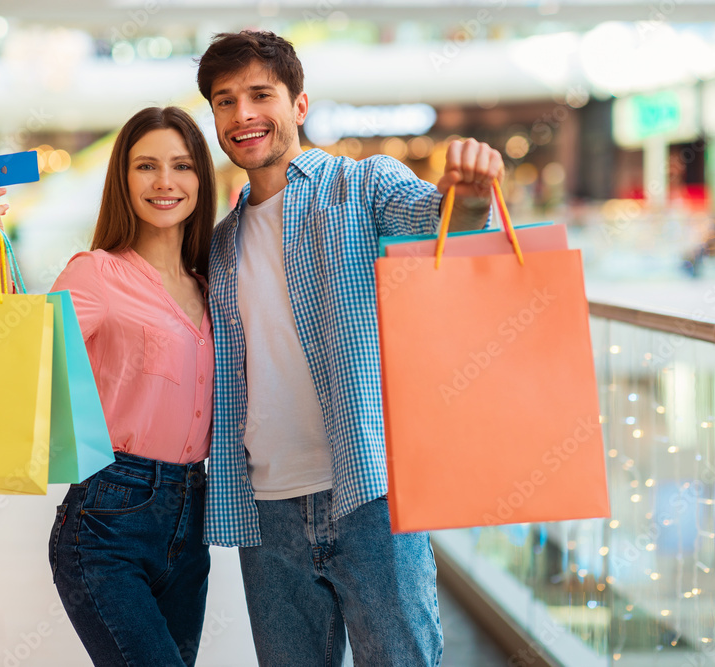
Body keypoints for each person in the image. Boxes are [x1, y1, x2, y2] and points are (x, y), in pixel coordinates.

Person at [196, 31, 504, 666]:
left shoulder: (361, 186)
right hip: (267, 512)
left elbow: (438, 220)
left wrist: (470, 194)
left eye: (261, 95)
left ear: (299, 105)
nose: (244, 115)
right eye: (225, 102)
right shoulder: (219, 245)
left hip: (368, 491)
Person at [0, 106, 217, 666]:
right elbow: (21, 353)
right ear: (123, 180)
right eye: (146, 165)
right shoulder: (97, 272)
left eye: (182, 165)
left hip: (192, 524)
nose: (165, 181)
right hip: (109, 522)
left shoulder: (210, 284)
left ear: (202, 178)